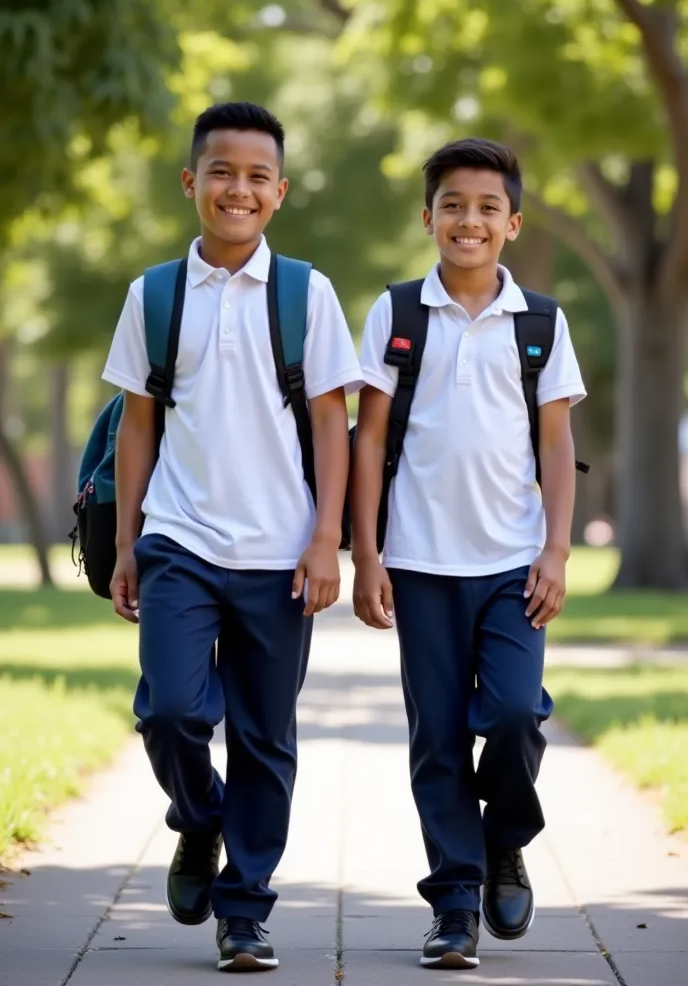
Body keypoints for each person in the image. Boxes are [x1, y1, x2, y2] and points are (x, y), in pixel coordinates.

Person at [102, 102, 361, 973]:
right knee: (172, 710)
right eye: (221, 172)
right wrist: (130, 539)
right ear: (191, 183)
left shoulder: (306, 294)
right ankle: (200, 819)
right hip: (179, 537)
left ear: (279, 193)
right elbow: (138, 425)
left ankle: (244, 911)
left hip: (280, 552)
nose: (237, 189)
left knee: (264, 736)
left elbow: (334, 424)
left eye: (257, 177)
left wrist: (327, 537)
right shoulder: (154, 295)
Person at [351, 138, 586, 970]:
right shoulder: (397, 312)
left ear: (513, 223)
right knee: (439, 739)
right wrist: (368, 555)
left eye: (488, 207)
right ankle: (455, 903)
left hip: (514, 563)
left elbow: (556, 446)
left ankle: (505, 843)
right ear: (428, 218)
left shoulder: (542, 324)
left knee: (518, 713)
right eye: (453, 205)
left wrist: (556, 550)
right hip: (418, 563)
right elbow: (368, 437)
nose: (469, 220)